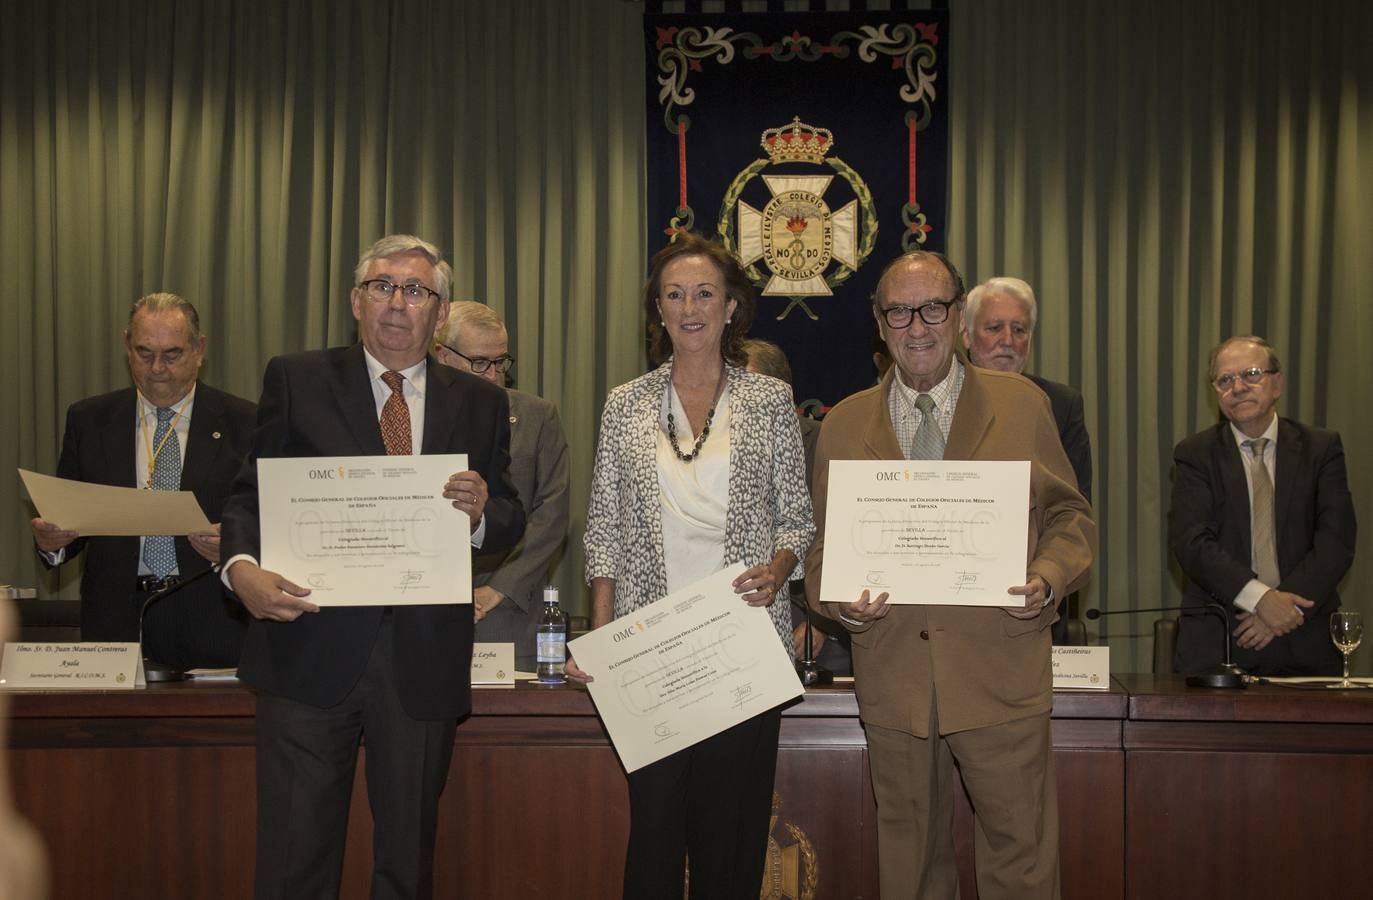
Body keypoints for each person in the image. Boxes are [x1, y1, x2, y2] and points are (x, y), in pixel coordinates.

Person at [220, 235, 525, 899]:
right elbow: (249, 495)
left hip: (420, 659)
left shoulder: (477, 402)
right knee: (293, 856)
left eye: (415, 290)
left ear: (439, 314)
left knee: (406, 861)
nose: (396, 301)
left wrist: (478, 515)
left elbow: (510, 515)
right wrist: (240, 568)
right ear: (355, 301)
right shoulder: (296, 379)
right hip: (305, 645)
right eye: (382, 286)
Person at [805, 250, 1095, 900]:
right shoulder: (843, 424)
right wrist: (841, 604)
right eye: (899, 312)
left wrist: (1046, 579)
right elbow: (822, 554)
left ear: (958, 316)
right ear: (879, 325)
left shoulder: (1020, 404)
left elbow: (1071, 519)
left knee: (1020, 863)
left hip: (999, 669)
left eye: (932, 307)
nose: (917, 326)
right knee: (908, 872)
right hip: (894, 682)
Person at [571, 234, 814, 899]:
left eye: (704, 293)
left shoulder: (767, 401)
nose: (689, 307)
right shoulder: (624, 403)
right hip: (653, 649)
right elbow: (604, 531)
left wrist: (778, 565)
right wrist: (601, 640)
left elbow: (797, 517)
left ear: (732, 306)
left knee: (729, 840)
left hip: (742, 642)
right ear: (657, 310)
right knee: (653, 834)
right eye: (673, 295)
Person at [30, 293, 254, 669]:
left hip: (214, 619)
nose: (156, 368)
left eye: (172, 354)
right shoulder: (90, 421)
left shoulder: (244, 422)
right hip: (114, 622)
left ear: (199, 350)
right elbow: (70, 520)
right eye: (144, 353)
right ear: (126, 346)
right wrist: (51, 541)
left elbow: (270, 523)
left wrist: (236, 544)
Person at [1169, 335, 1356, 676]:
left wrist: (1284, 609)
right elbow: (1192, 542)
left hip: (1306, 635)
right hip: (1223, 637)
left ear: (1277, 384)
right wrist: (1261, 600)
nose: (1238, 387)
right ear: (1216, 392)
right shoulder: (1194, 454)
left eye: (1251, 374)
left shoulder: (1321, 448)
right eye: (1225, 380)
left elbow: (1336, 541)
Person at [434, 301, 570, 671]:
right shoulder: (411, 416)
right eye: (480, 362)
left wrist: (499, 590)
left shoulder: (538, 416)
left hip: (509, 617)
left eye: (501, 362)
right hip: (424, 621)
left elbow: (551, 515)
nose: (493, 375)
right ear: (442, 355)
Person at [741, 338, 850, 675]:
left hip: (814, 629)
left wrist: (821, 626)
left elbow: (846, 538)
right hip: (739, 625)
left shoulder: (824, 442)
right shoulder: (716, 454)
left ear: (781, 395)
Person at [962, 276, 1092, 502]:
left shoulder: (1061, 405)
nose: (1008, 340)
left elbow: (1074, 504)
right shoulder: (941, 400)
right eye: (994, 328)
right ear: (966, 336)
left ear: (1030, 339)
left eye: (1019, 329)